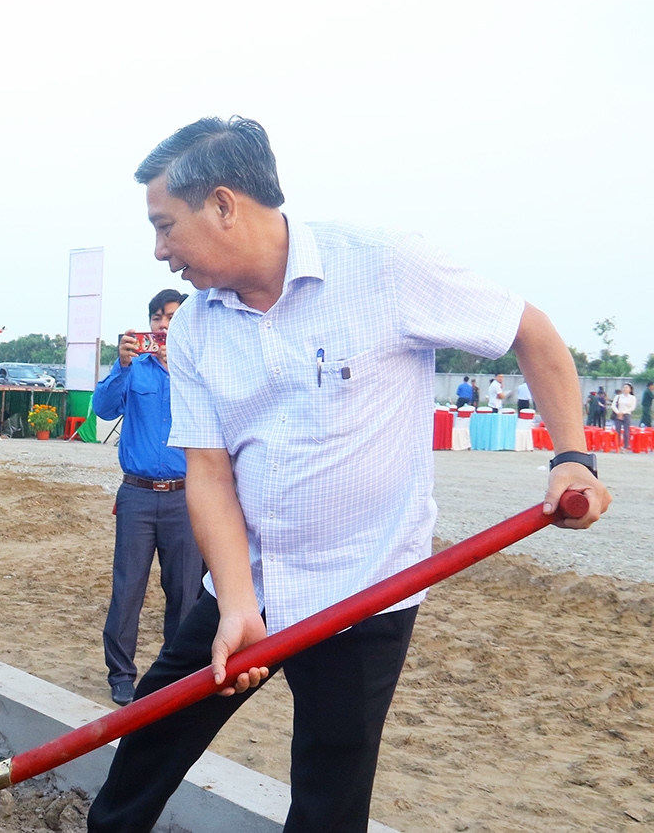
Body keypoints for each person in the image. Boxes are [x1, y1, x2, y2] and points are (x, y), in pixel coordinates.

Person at [86, 116, 608, 833]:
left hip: (366, 591)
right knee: (149, 740)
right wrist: (238, 606)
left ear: (224, 204)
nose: (160, 250)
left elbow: (530, 331)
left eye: (165, 225)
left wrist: (572, 458)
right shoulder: (199, 326)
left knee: (331, 791)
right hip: (253, 577)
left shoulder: (385, 266)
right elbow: (208, 474)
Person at [91, 288, 203, 707]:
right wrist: (120, 366)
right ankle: (121, 675)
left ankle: (177, 677)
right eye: (157, 318)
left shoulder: (198, 369)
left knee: (185, 591)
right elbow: (103, 410)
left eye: (172, 318)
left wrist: (181, 371)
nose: (163, 325)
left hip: (185, 497)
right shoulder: (134, 368)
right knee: (128, 587)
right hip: (136, 496)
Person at [611, 383, 637, 451]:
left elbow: (632, 407)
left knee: (626, 431)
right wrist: (618, 412)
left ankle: (625, 446)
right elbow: (613, 405)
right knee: (617, 431)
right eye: (624, 387)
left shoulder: (632, 398)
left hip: (627, 415)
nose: (625, 389)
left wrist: (623, 412)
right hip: (618, 414)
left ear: (630, 389)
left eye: (627, 388)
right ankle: (617, 446)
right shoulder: (618, 396)